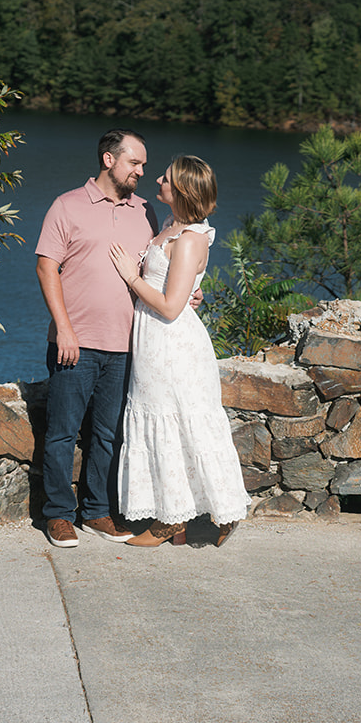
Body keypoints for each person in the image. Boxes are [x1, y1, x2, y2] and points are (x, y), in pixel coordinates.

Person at [108, 155, 251, 548]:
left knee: (177, 425)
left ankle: (178, 521)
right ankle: (176, 517)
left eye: (167, 178)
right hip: (154, 341)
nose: (158, 179)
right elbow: (178, 288)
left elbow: (171, 307)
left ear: (184, 190)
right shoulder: (172, 226)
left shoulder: (189, 239)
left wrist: (131, 276)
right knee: (168, 426)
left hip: (172, 345)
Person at [34, 129, 159, 548]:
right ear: (109, 159)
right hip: (75, 343)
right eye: (134, 163)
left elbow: (156, 269)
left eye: (143, 164)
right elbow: (46, 268)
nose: (141, 171)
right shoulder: (67, 205)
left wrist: (189, 292)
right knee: (62, 434)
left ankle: (96, 512)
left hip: (126, 346)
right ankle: (58, 515)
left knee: (108, 436)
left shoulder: (145, 212)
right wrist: (64, 329)